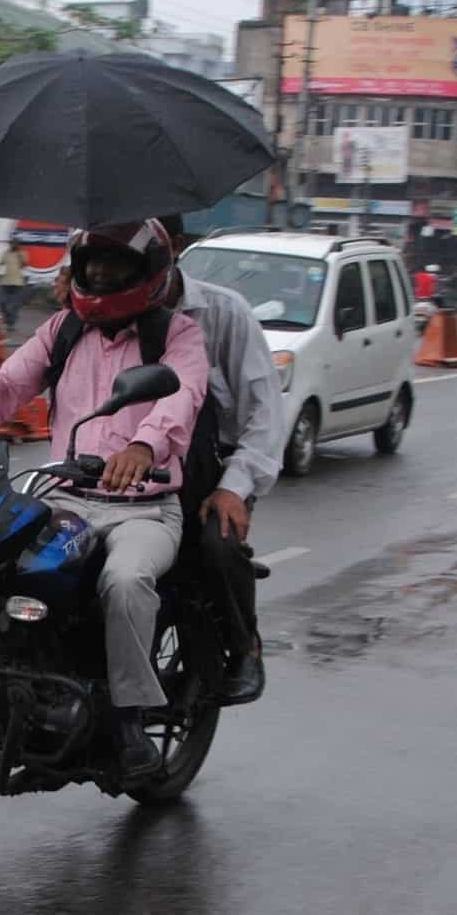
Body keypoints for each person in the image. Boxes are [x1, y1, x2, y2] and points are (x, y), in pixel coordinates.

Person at [0, 219, 209, 779]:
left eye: (113, 268)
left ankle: (127, 717)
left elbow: (184, 396)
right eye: (91, 266)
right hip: (65, 495)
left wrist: (145, 445)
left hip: (142, 507)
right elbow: (4, 387)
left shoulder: (178, 336)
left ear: (146, 274)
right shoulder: (61, 331)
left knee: (124, 580)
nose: (98, 277)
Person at [157, 215, 284, 705]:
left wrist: (235, 485)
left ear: (175, 248)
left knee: (214, 545)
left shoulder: (224, 313)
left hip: (218, 468)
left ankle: (243, 644)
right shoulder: (102, 314)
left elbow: (265, 412)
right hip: (139, 469)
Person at [0, 236, 28, 332]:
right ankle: (7, 319)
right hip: (5, 282)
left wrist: (19, 255)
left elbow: (24, 265)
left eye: (15, 244)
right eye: (12, 243)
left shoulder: (23, 253)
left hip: (18, 283)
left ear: (19, 245)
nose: (13, 245)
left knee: (15, 305)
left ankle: (11, 324)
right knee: (2, 302)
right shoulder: (6, 253)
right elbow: (0, 263)